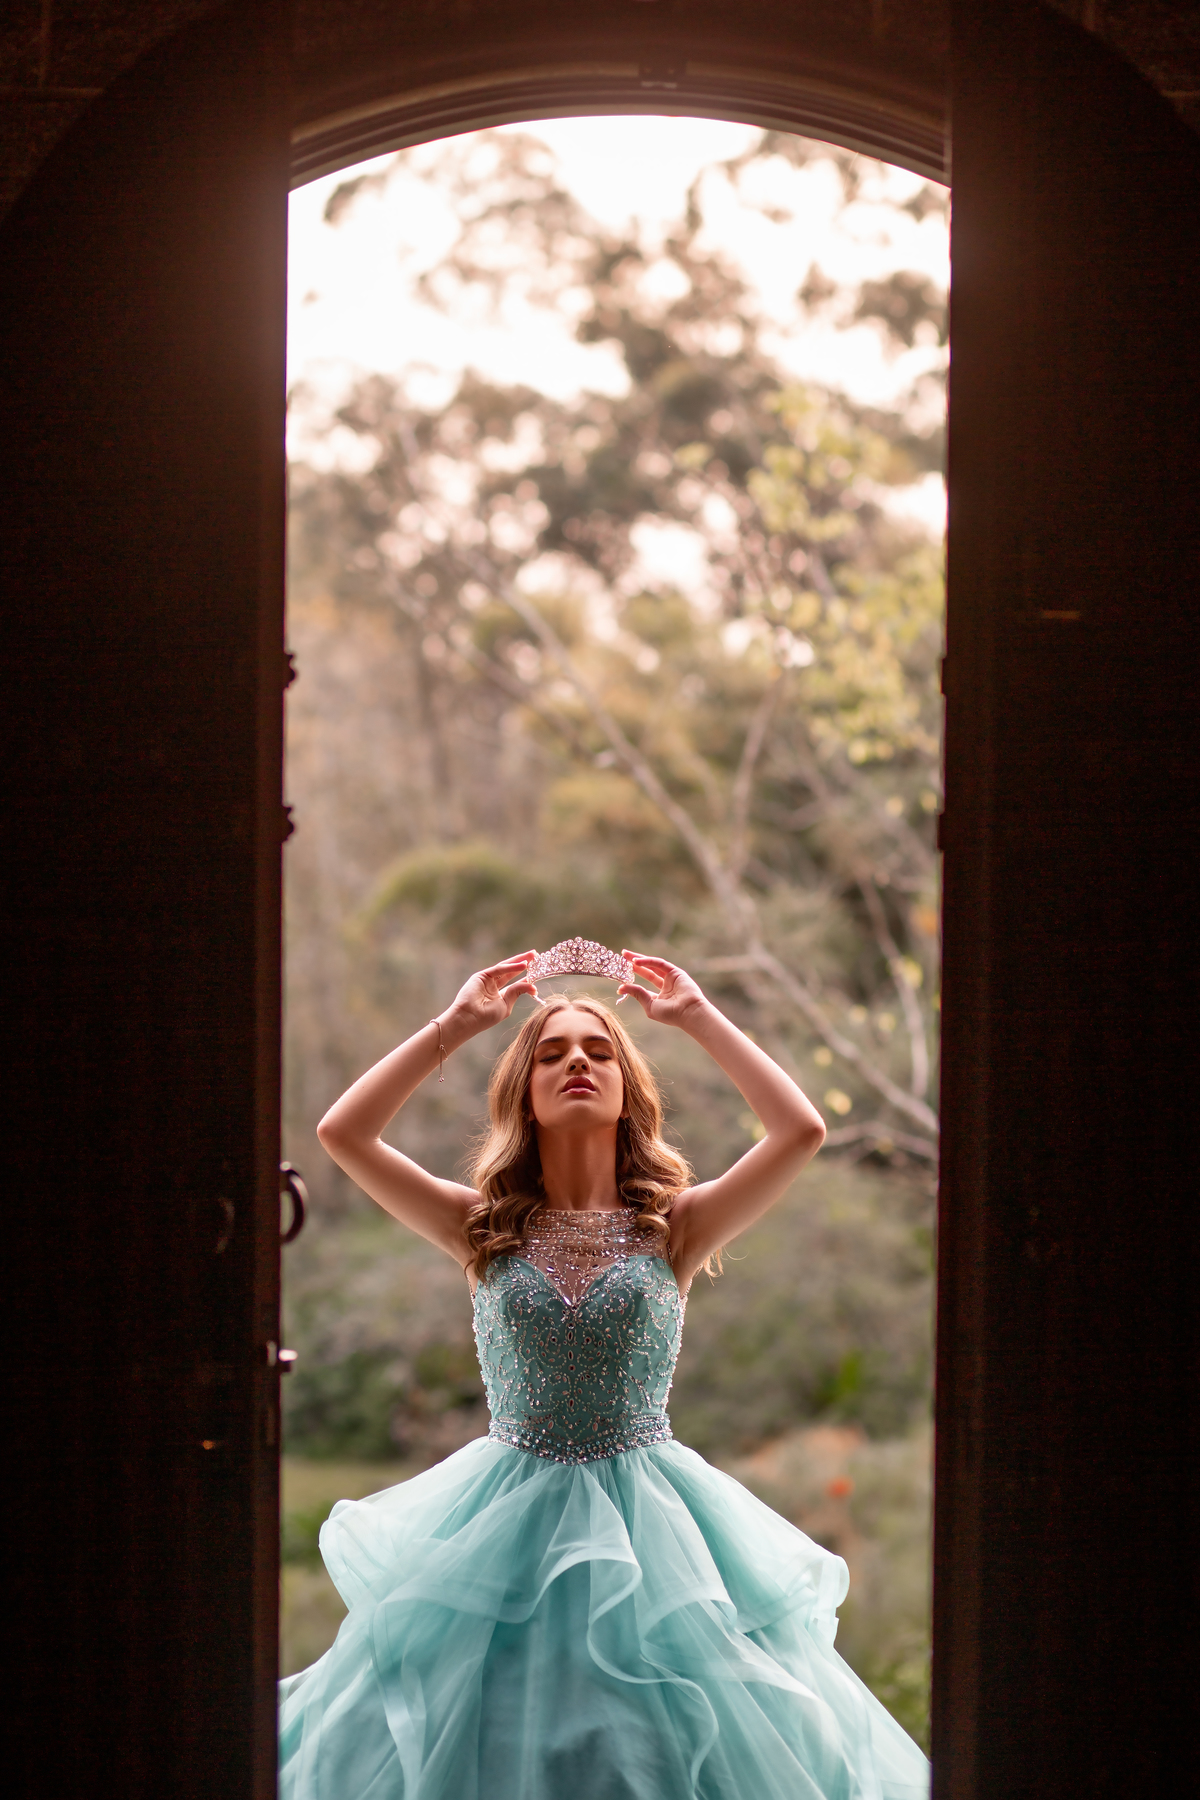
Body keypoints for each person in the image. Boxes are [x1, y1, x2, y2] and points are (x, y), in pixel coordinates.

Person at [279, 950, 930, 1800]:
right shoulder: (480, 1229)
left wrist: (696, 1016)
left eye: (599, 1049)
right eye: (551, 1052)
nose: (576, 1060)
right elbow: (343, 1133)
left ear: (628, 1086)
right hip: (500, 1526)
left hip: (654, 1532)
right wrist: (460, 1025)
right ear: (525, 1091)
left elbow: (801, 1131)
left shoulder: (676, 1228)